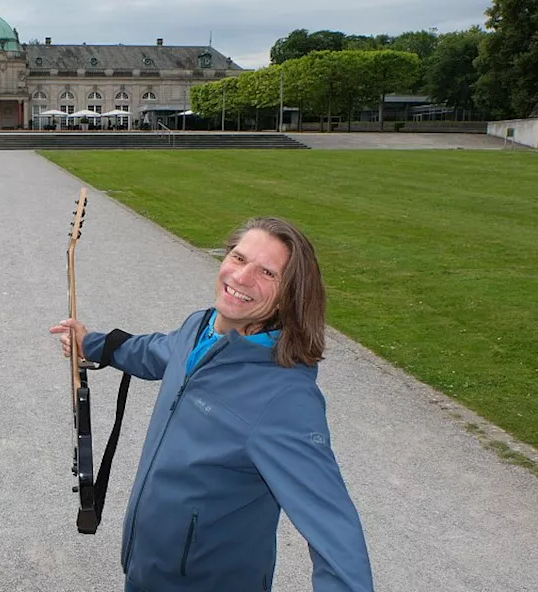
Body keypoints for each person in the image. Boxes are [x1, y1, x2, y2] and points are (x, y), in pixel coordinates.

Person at [50, 216, 373, 591]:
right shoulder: (201, 328)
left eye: (267, 273)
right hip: (148, 568)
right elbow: (158, 351)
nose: (241, 277)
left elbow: (333, 529)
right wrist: (91, 344)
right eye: (238, 258)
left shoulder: (284, 399)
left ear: (289, 295)